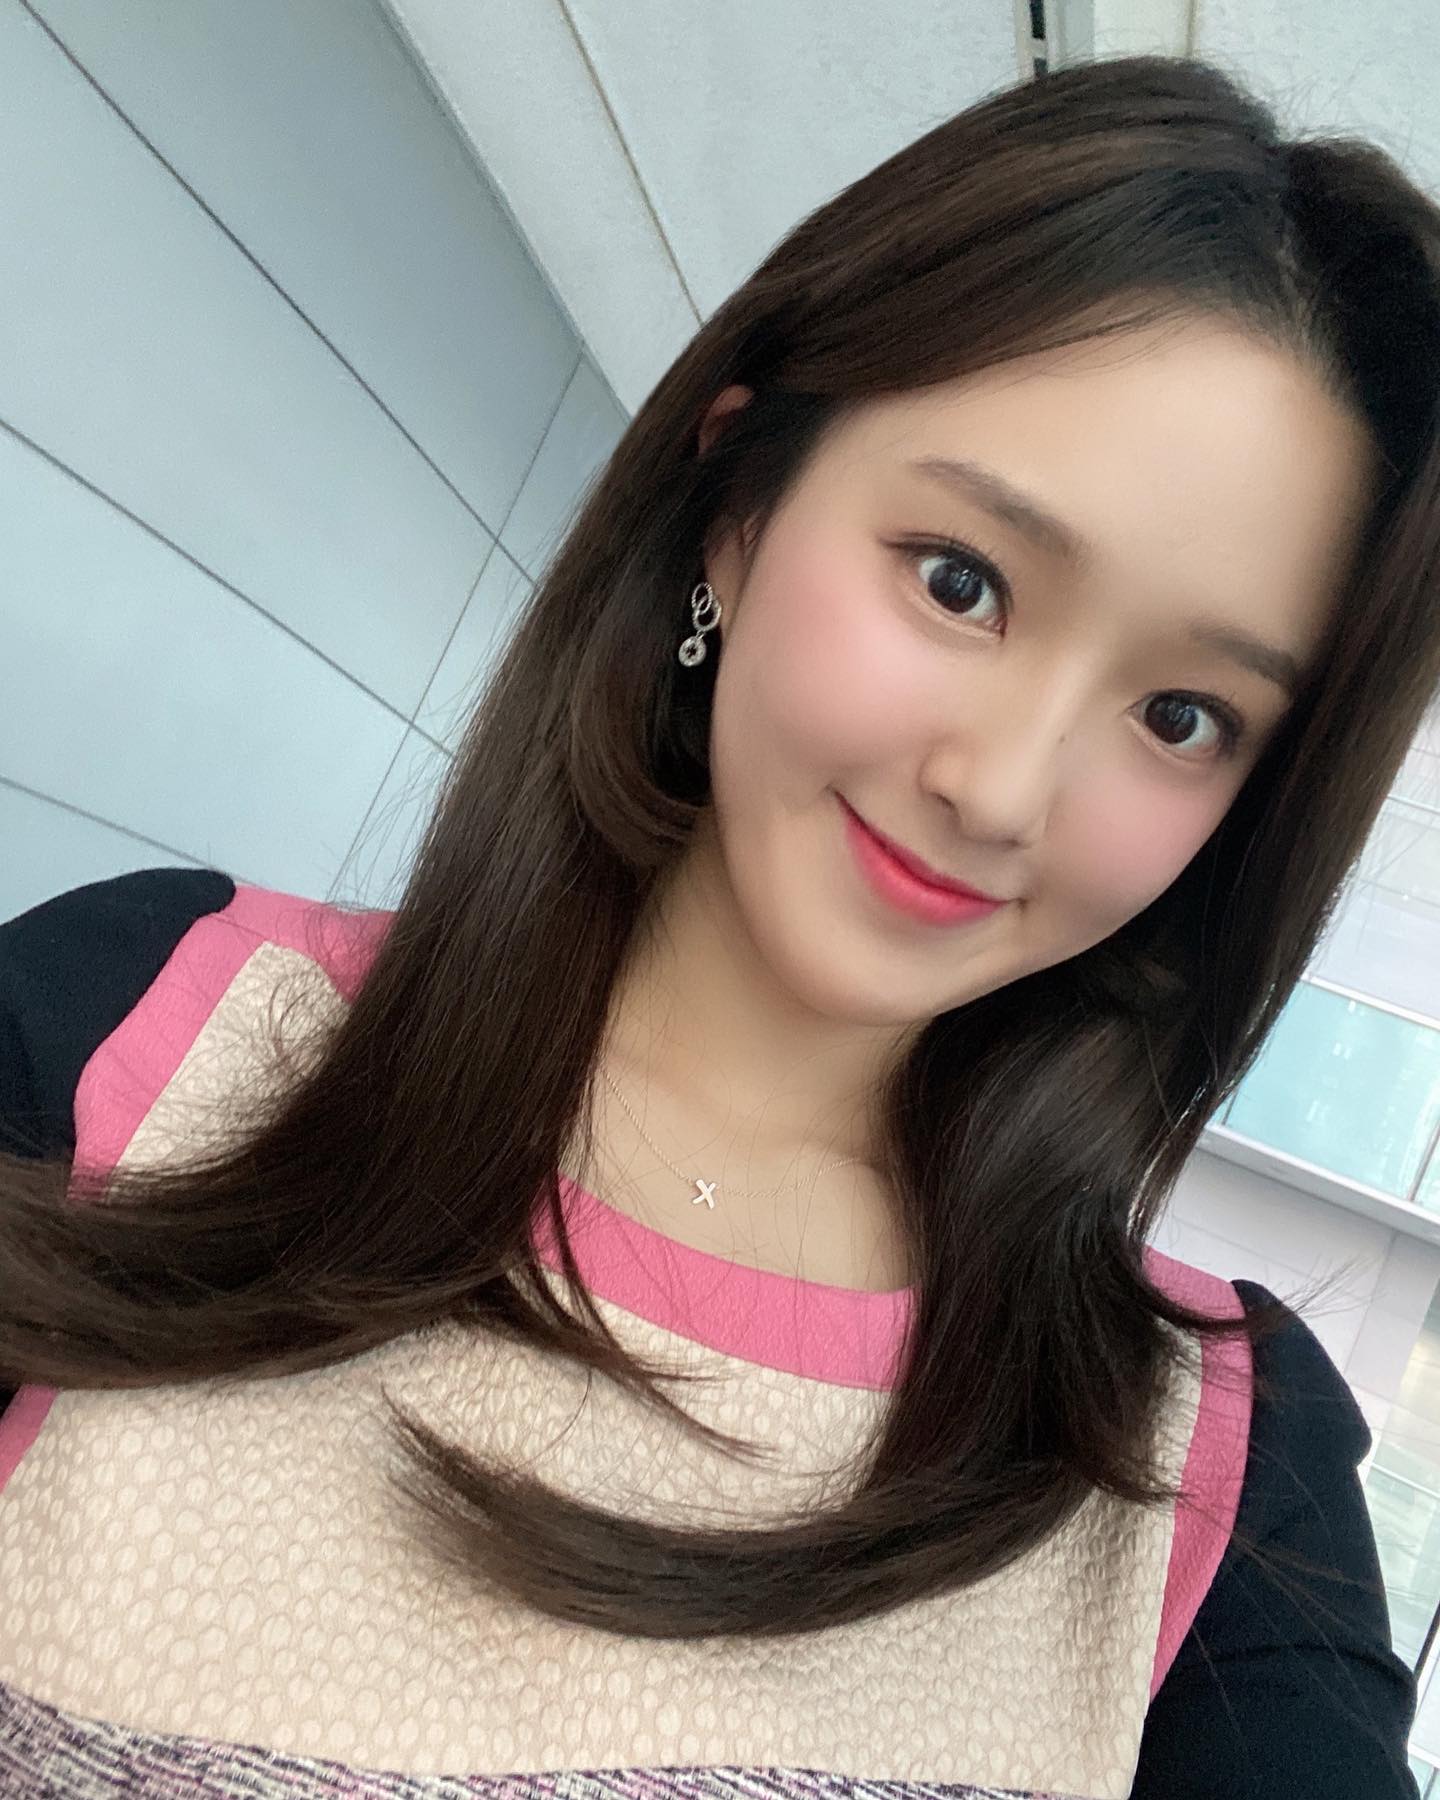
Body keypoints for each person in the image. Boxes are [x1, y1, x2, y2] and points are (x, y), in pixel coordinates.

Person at [0, 49, 1436, 1800]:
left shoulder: (1212, 1462)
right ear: (740, 513)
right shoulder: (141, 1032)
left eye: (1181, 715)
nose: (1002, 791)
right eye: (963, 582)